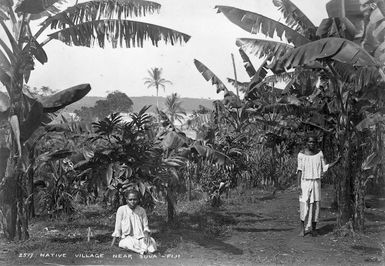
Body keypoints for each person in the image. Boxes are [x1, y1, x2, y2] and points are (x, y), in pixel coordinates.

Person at [297, 136, 340, 237]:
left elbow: (324, 167)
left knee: (316, 205)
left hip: (316, 182)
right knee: (304, 205)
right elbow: (299, 171)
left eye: (313, 142)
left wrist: (336, 162)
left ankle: (314, 229)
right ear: (306, 143)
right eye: (310, 142)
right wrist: (298, 185)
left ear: (316, 143)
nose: (311, 144)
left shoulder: (319, 154)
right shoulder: (301, 155)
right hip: (305, 182)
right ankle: (302, 229)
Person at [111, 189, 157, 254]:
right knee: (124, 243)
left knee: (151, 242)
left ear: (138, 200)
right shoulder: (121, 209)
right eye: (130, 199)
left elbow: (146, 226)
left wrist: (147, 235)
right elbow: (117, 229)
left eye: (135, 199)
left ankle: (143, 249)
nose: (132, 202)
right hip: (128, 238)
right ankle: (140, 251)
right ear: (126, 200)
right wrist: (111, 246)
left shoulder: (141, 210)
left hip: (140, 238)